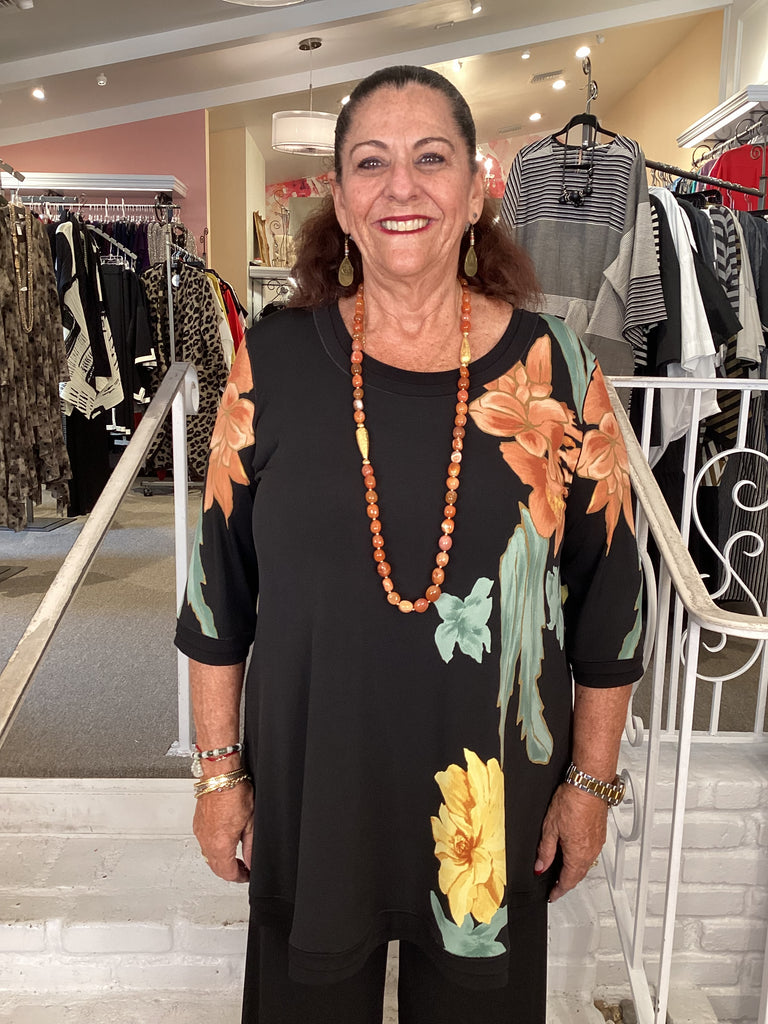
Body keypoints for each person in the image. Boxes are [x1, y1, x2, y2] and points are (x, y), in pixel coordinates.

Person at [175, 64, 644, 1024]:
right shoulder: (271, 362)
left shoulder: (558, 369)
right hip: (315, 788)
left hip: (492, 801)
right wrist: (219, 774)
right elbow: (217, 594)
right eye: (370, 163)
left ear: (476, 190)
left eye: (432, 158)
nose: (402, 187)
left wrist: (591, 784)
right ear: (341, 203)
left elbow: (611, 607)